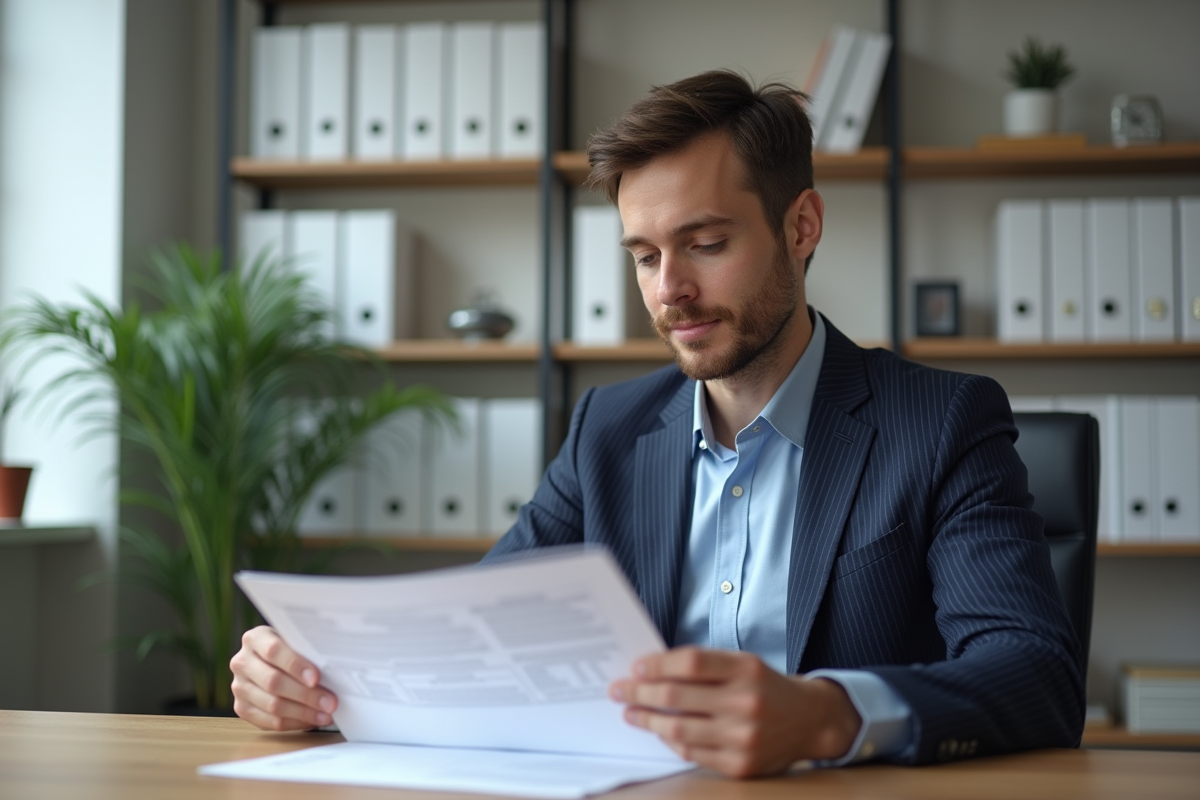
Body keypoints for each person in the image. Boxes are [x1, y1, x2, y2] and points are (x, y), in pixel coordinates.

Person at [230, 70, 1084, 777]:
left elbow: (1036, 674)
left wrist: (830, 715)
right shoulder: (608, 427)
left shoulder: (942, 422)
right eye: (644, 255)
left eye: (705, 243)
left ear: (802, 227)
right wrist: (311, 680)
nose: (667, 288)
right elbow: (477, 640)